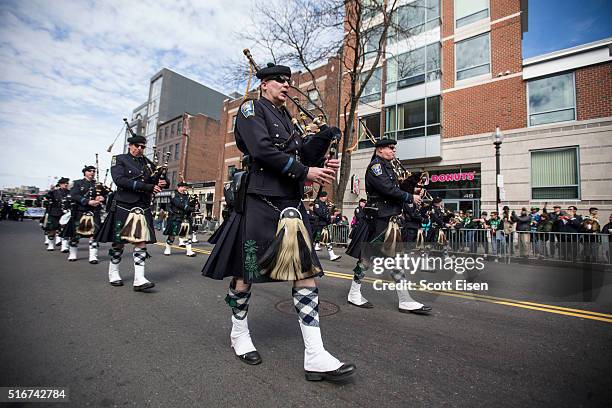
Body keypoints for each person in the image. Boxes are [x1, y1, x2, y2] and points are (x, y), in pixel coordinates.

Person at [201, 62, 355, 382]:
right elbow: (261, 149)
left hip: (290, 206)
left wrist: (324, 140)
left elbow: (303, 154)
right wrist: (304, 172)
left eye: (288, 81)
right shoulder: (250, 110)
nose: (286, 86)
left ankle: (315, 355)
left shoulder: (288, 119)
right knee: (247, 275)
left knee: (304, 274)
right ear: (264, 85)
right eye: (279, 81)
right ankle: (239, 332)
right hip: (260, 203)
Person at [345, 138, 431, 315]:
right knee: (368, 259)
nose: (393, 151)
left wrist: (411, 183)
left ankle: (404, 299)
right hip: (379, 219)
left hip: (387, 218)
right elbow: (387, 189)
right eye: (390, 148)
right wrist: (409, 197)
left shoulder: (387, 167)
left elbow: (395, 188)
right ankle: (355, 293)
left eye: (394, 148)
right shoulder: (376, 167)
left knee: (392, 259)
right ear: (379, 150)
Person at [95, 134, 168, 290]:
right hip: (123, 204)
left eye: (142, 147)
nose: (140, 149)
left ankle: (139, 279)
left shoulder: (147, 163)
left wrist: (164, 181)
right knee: (119, 242)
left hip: (142, 205)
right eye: (137, 146)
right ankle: (113, 272)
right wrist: (146, 187)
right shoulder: (119, 159)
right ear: (130, 145)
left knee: (140, 241)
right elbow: (119, 180)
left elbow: (159, 178)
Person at [62, 166, 106, 263]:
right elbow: (74, 195)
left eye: (94, 171)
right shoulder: (77, 183)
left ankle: (93, 256)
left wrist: (103, 197)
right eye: (90, 171)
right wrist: (87, 201)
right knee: (75, 234)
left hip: (94, 212)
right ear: (85, 172)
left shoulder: (98, 184)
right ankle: (72, 254)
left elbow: (107, 194)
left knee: (94, 234)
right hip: (80, 211)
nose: (92, 172)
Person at [163, 181, 197, 257]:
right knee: (172, 235)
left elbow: (190, 204)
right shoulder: (174, 194)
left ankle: (189, 251)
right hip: (175, 217)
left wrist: (193, 203)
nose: (185, 189)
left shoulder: (187, 196)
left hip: (184, 218)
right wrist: (188, 208)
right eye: (184, 187)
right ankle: (167, 249)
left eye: (186, 188)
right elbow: (177, 203)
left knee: (186, 235)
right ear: (179, 187)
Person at [312, 191, 341, 261]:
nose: (326, 197)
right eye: (325, 196)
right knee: (312, 240)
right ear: (322, 197)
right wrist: (329, 217)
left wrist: (330, 218)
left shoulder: (323, 204)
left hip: (323, 225)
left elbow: (325, 213)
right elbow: (321, 214)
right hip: (318, 225)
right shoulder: (317, 204)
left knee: (327, 240)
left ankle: (332, 255)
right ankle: (308, 254)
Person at [43, 178, 70, 251]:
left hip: (66, 214)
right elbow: (44, 197)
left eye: (67, 183)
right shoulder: (54, 192)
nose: (66, 184)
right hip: (54, 213)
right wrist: (46, 199)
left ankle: (64, 246)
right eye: (64, 183)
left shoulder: (70, 192)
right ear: (60, 184)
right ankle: (51, 245)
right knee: (52, 229)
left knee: (65, 230)